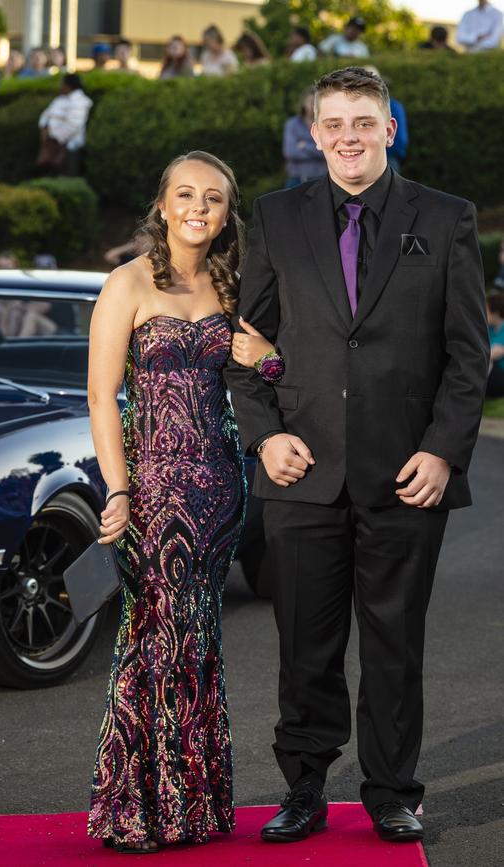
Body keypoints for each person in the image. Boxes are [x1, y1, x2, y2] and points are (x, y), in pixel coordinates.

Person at [226, 66, 489, 846]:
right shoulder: (275, 219)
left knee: (393, 647)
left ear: (389, 129)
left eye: (363, 121)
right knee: (305, 644)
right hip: (301, 475)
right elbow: (248, 349)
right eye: (333, 122)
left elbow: (468, 354)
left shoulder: (446, 219)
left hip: (408, 478)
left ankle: (392, 792)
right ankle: (304, 788)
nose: (348, 135)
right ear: (313, 135)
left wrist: (443, 451)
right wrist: (266, 434)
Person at [86, 151, 248, 852]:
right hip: (152, 490)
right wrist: (117, 487)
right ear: (161, 205)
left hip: (219, 488)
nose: (198, 208)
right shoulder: (126, 283)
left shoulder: (230, 284)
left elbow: (271, 367)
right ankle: (140, 806)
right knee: (155, 635)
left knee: (200, 636)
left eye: (212, 198)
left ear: (225, 213)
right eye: (185, 194)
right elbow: (101, 395)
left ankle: (195, 803)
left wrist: (265, 357)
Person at [37, 73, 93, 175]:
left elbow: (73, 125)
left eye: (62, 83)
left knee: (67, 174)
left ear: (68, 85)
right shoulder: (60, 99)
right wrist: (45, 130)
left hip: (69, 146)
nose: (60, 86)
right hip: (51, 145)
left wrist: (55, 138)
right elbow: (45, 116)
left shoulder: (80, 102)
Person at [282, 86, 327, 188]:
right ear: (304, 103)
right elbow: (290, 152)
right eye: (310, 102)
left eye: (316, 103)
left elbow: (328, 151)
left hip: (323, 181)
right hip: (297, 181)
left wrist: (304, 145)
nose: (313, 106)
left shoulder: (327, 125)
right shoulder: (292, 124)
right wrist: (317, 147)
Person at [486, 292, 504, 396]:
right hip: (491, 374)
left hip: (500, 377)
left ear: (496, 312)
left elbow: (493, 354)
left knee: (486, 360)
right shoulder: (491, 329)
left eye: (486, 310)